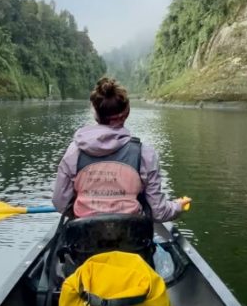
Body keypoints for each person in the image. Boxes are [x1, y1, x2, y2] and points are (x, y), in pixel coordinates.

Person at [52, 77, 191, 221]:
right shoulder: (145, 154)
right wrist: (177, 206)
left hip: (84, 237)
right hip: (131, 239)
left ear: (95, 114)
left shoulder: (74, 152)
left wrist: (82, 214)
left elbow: (60, 204)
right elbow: (159, 212)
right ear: (127, 113)